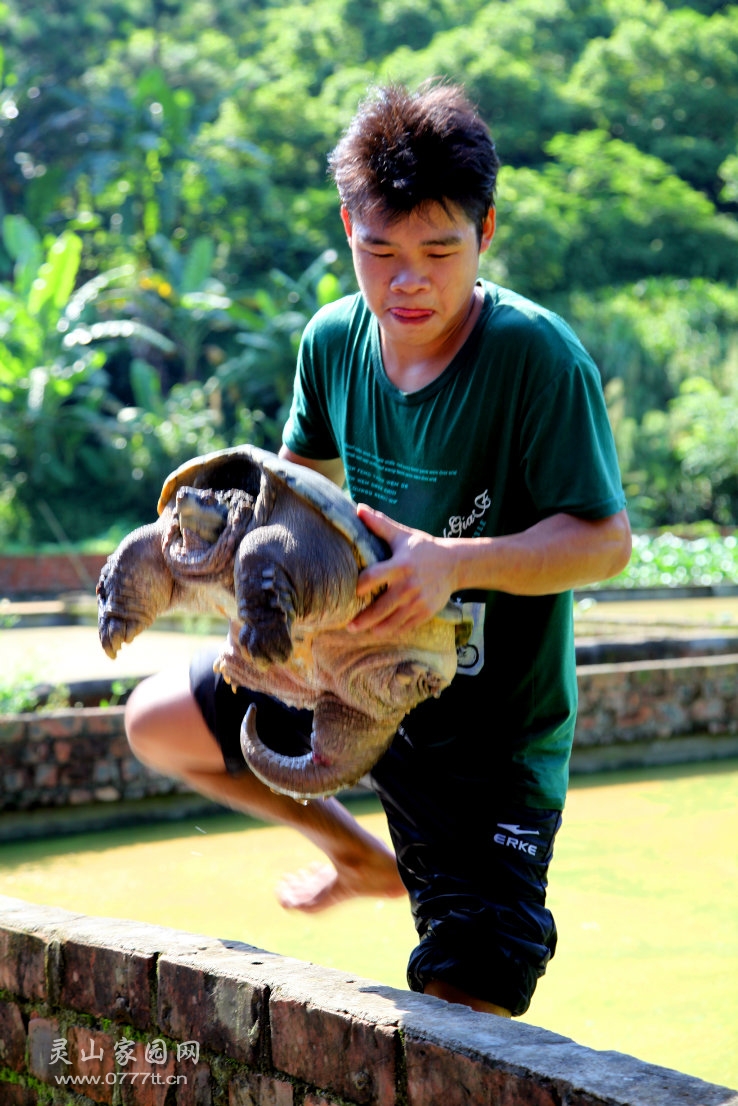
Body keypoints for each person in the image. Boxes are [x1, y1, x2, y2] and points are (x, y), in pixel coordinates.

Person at [125, 81, 631, 1019]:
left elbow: (604, 542)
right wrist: (262, 624)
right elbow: (292, 511)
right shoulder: (330, 342)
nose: (408, 282)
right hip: (344, 674)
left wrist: (451, 561)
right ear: (347, 226)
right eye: (380, 252)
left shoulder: (539, 359)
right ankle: (357, 852)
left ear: (488, 229)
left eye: (440, 251)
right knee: (156, 722)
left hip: (488, 742)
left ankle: (417, 870)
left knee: (466, 1011)